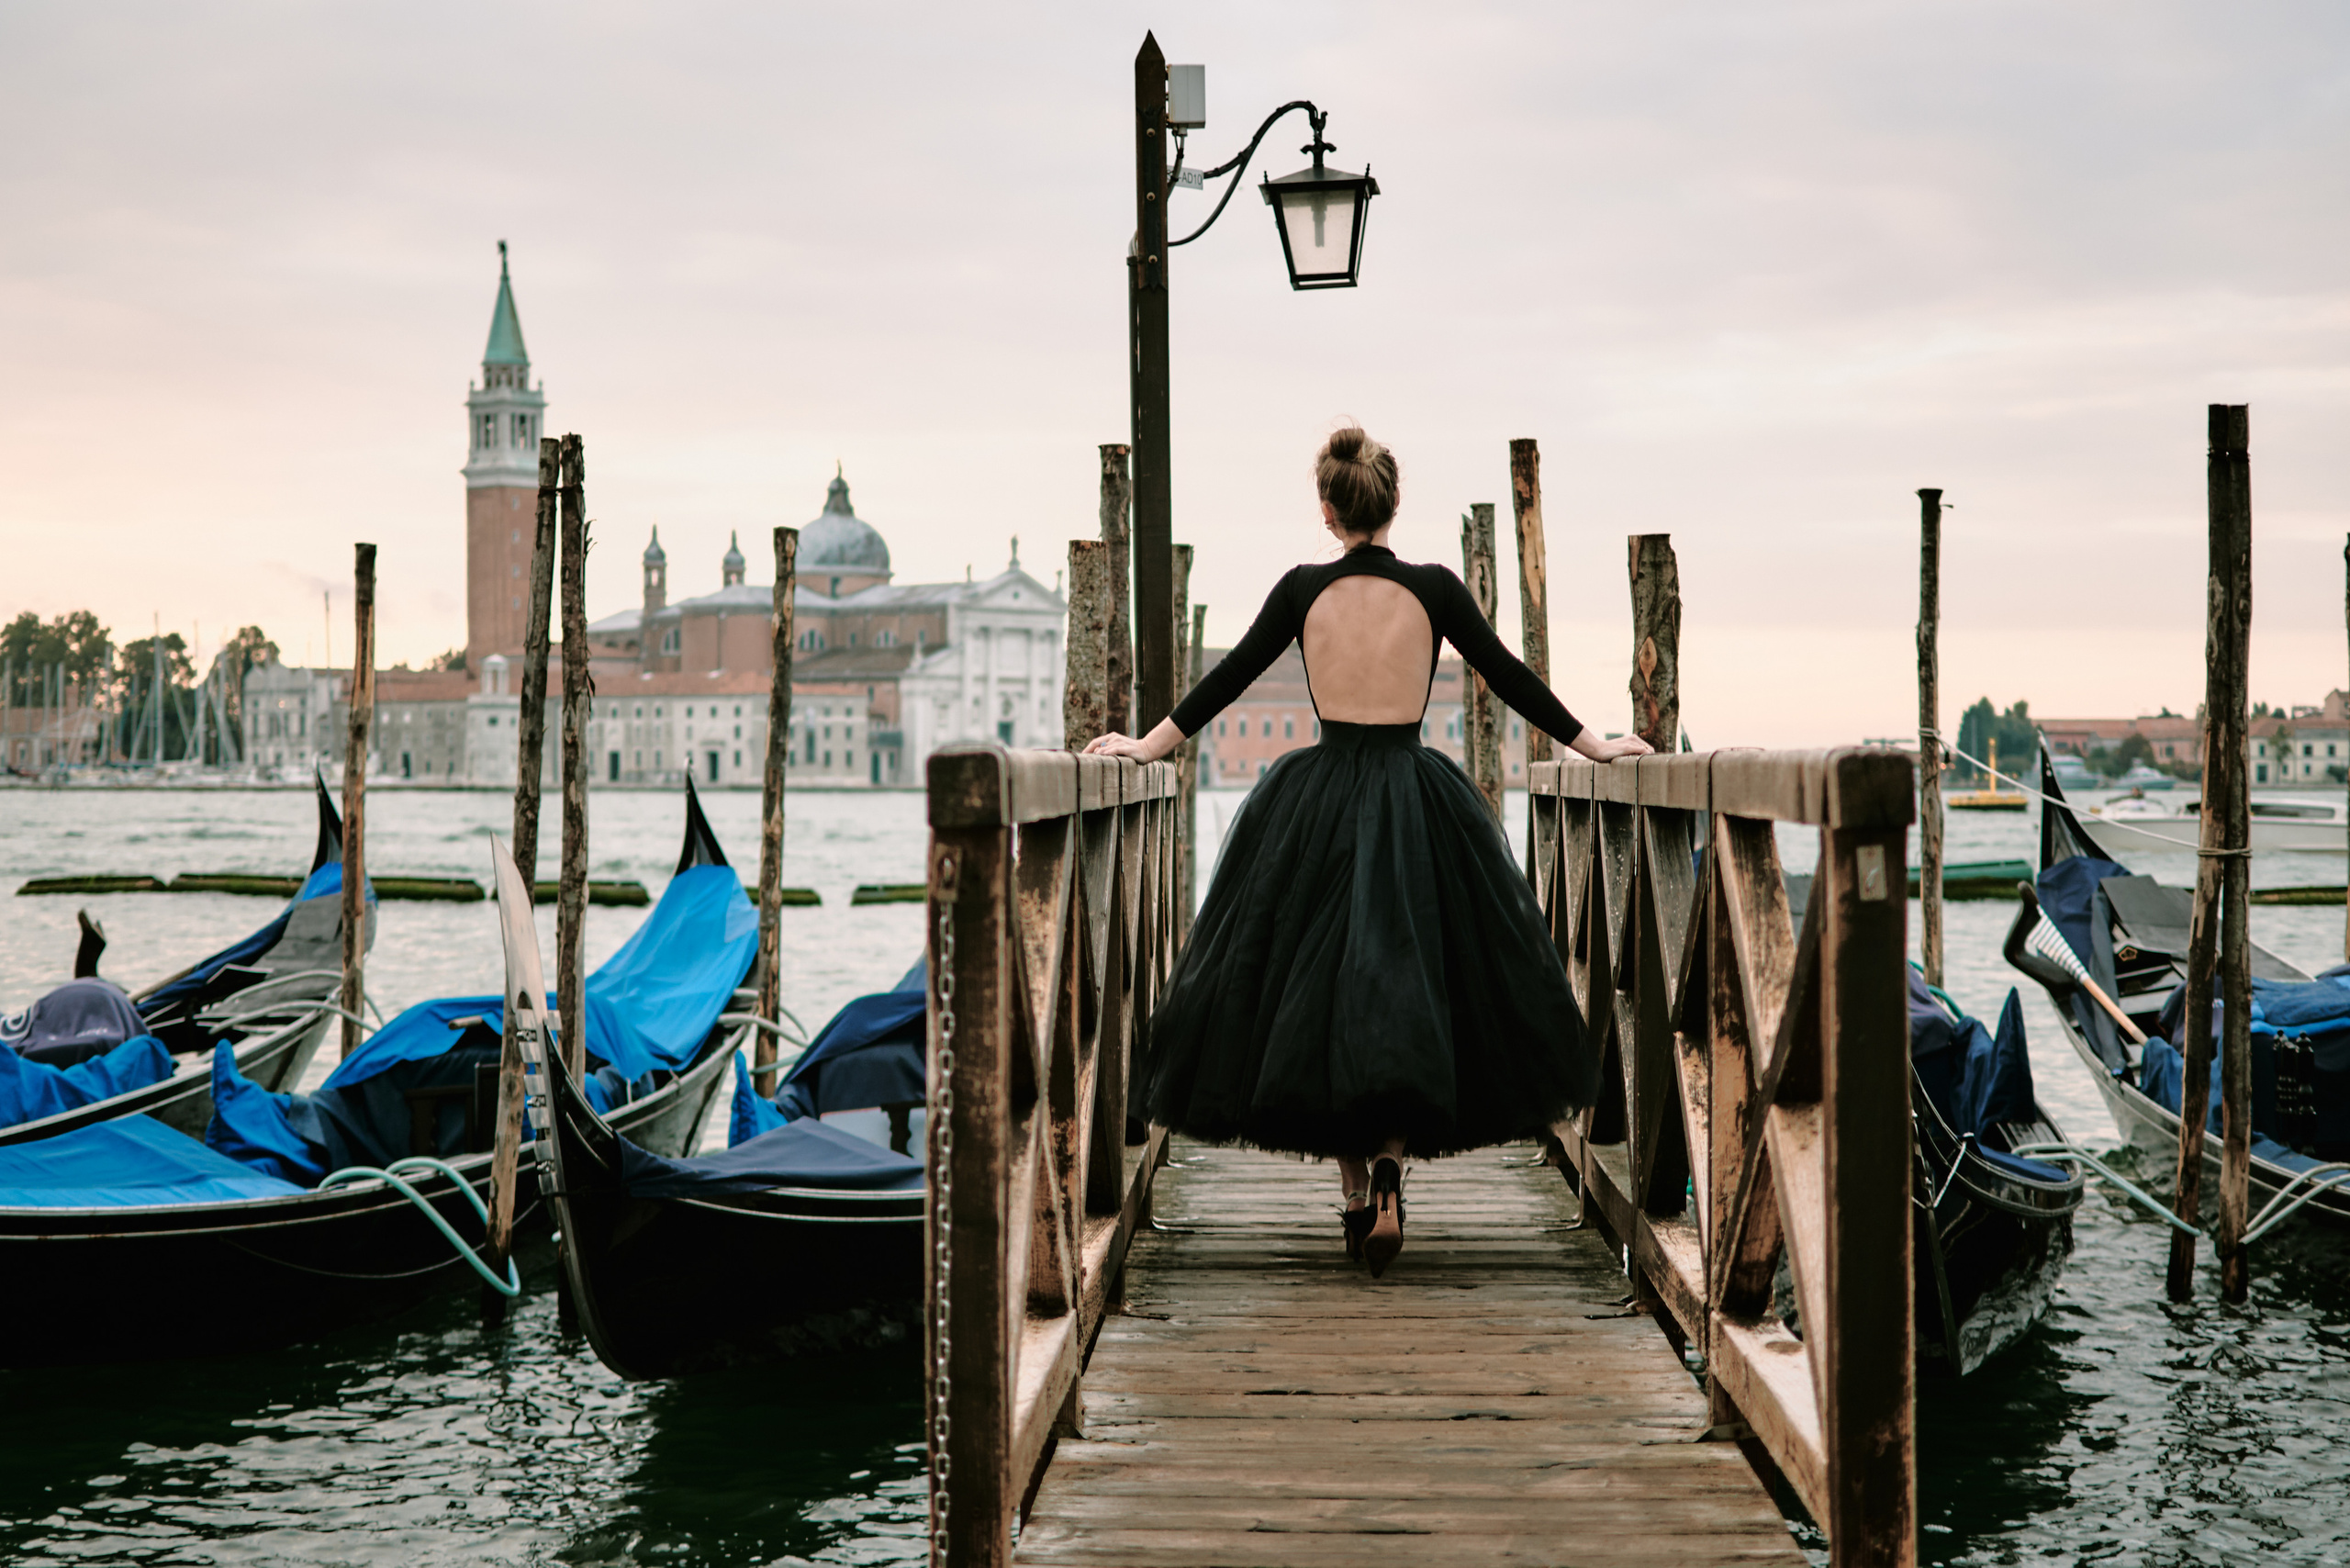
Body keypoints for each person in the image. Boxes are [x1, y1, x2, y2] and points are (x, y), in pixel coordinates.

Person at [1086, 426, 1651, 1276]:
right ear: (1394, 505)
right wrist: (1593, 747)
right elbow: (1506, 672)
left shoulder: (1302, 589)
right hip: (1416, 797)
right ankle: (1392, 1163)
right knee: (1406, 984)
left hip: (1317, 803)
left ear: (1327, 511)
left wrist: (1146, 746)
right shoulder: (1434, 589)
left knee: (1320, 998)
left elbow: (1226, 680)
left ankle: (1355, 1196)